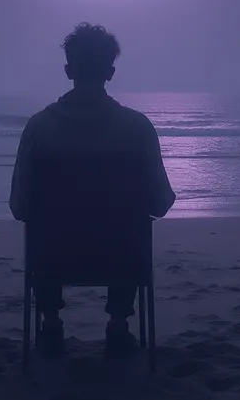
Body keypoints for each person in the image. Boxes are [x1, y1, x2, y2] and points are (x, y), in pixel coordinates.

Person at [9, 23, 176, 356]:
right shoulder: (137, 128)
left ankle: (52, 322)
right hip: (120, 256)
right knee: (129, 232)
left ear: (68, 69)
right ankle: (117, 325)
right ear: (110, 72)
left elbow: (20, 206)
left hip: (54, 255)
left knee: (44, 233)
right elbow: (159, 202)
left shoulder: (40, 127)